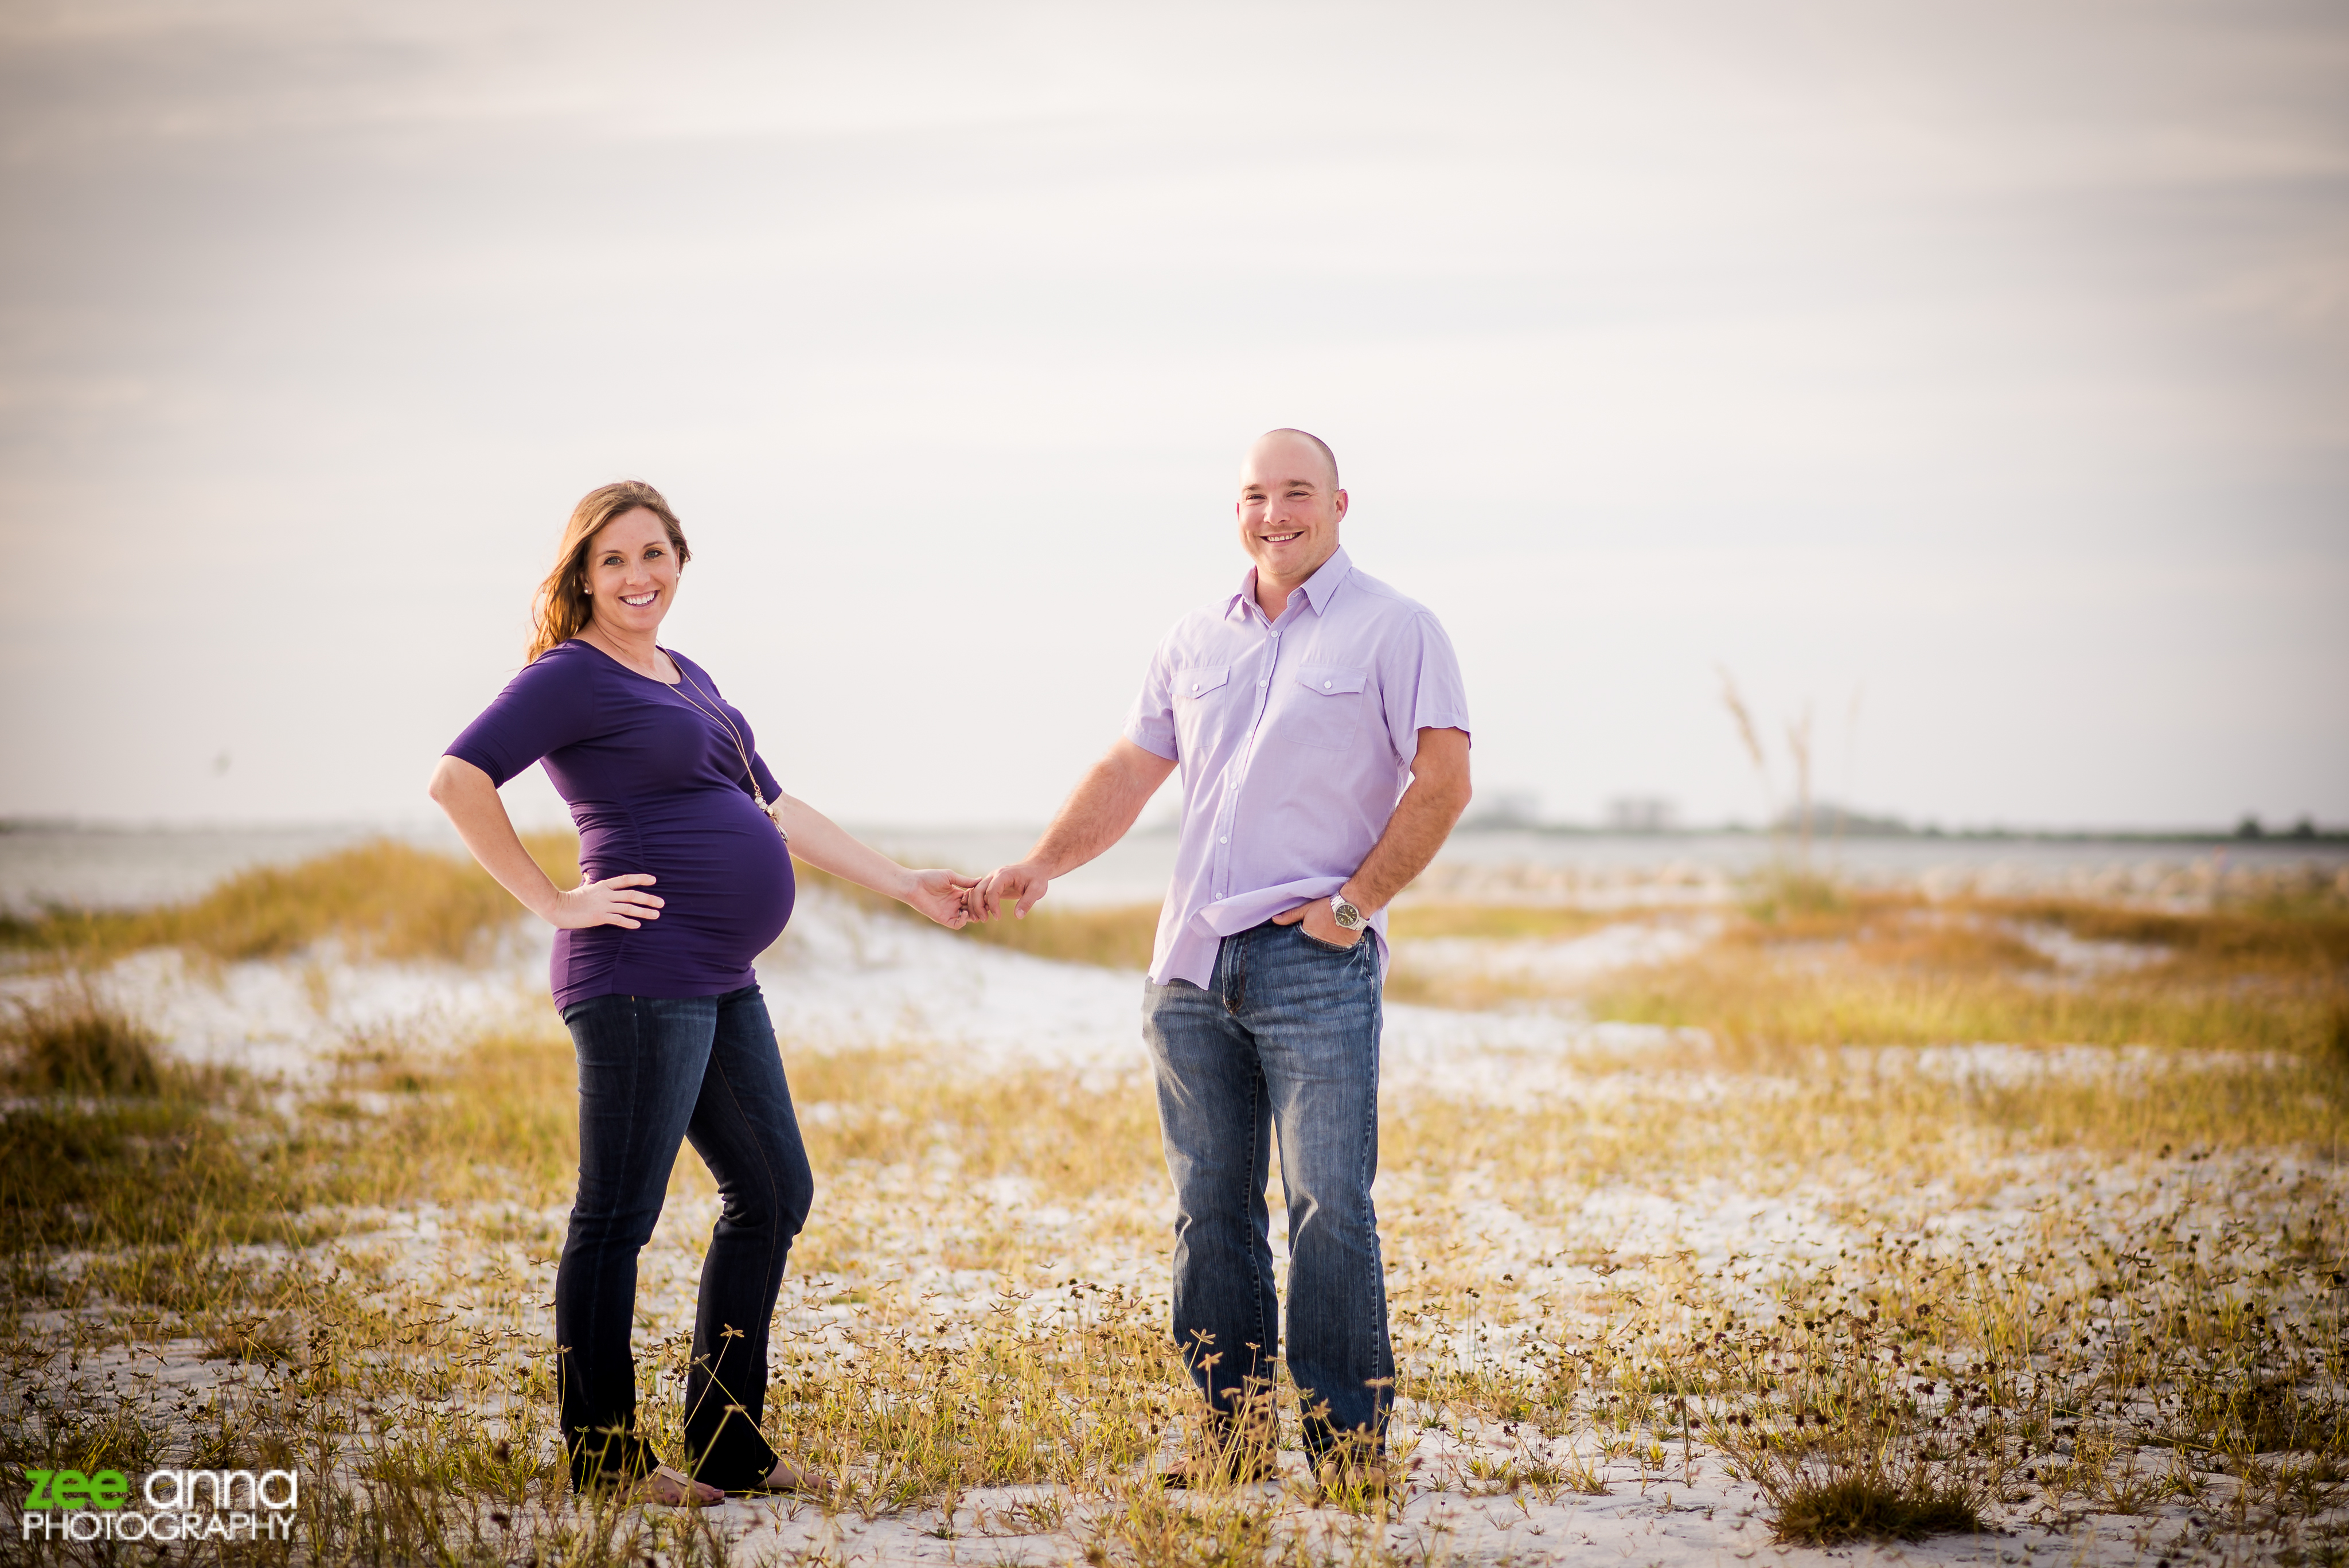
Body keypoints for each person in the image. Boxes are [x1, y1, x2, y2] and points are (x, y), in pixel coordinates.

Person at [428, 479, 974, 1505]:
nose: (638, 577)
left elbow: (776, 807)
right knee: (617, 1217)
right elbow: (458, 779)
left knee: (773, 1192)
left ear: (681, 560)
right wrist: (554, 899)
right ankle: (602, 1458)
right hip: (638, 973)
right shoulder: (571, 676)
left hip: (718, 975)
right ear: (582, 577)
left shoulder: (688, 676)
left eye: (654, 555)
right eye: (614, 561)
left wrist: (907, 885)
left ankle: (727, 1441)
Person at [967, 430, 1472, 1489]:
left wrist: (1355, 904)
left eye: (1297, 492)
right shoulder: (1196, 637)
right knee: (1212, 1210)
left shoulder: (1398, 627)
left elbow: (1444, 780)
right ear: (1234, 510)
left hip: (1312, 963)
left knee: (1330, 1202)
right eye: (1255, 495)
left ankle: (1349, 1453)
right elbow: (1131, 766)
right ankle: (1232, 1444)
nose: (1275, 512)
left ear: (1341, 502)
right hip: (1190, 968)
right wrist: (1044, 863)